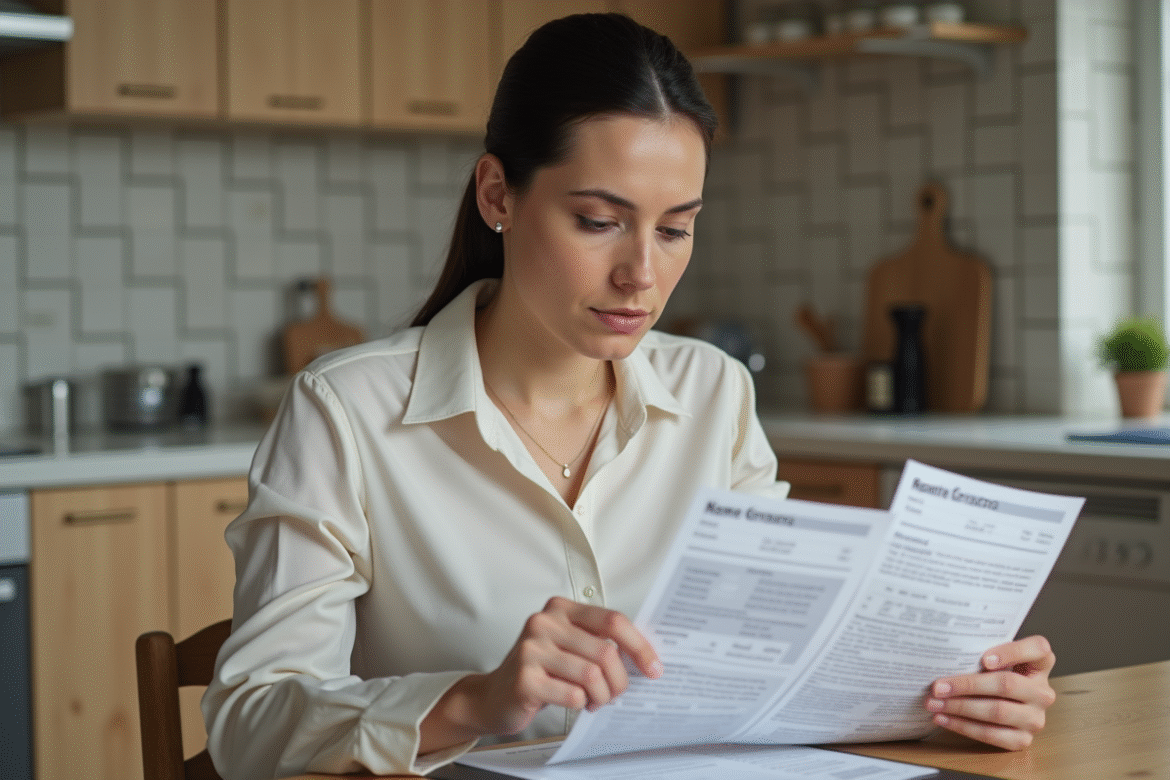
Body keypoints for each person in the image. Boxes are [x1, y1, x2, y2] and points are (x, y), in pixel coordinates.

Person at [203, 13, 1057, 780]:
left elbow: (775, 672)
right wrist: (472, 699)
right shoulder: (344, 411)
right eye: (599, 220)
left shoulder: (714, 393)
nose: (643, 274)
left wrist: (949, 697)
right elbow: (248, 724)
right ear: (499, 194)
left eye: (676, 228)